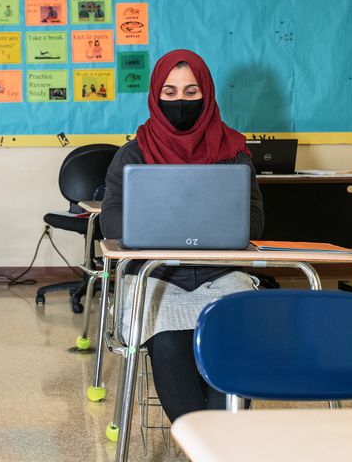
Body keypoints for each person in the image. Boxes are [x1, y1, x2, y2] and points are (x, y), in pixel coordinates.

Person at [100, 49, 264, 422]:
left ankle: (219, 443)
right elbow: (111, 221)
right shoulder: (133, 154)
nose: (180, 102)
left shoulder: (234, 152)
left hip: (221, 273)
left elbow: (254, 222)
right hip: (155, 275)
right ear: (156, 95)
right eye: (170, 92)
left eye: (191, 92)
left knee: (235, 338)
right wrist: (159, 229)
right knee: (169, 337)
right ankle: (202, 443)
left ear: (206, 95)